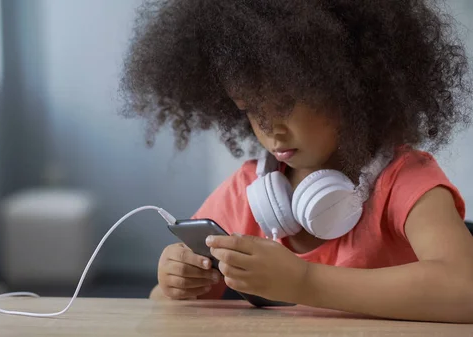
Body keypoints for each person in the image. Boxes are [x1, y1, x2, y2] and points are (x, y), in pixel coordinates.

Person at [118, 0, 473, 323]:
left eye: (285, 103)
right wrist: (173, 285)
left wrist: (305, 282)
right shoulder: (248, 192)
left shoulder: (404, 180)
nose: (270, 127)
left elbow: (465, 291)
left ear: (351, 89)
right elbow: (170, 313)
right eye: (250, 110)